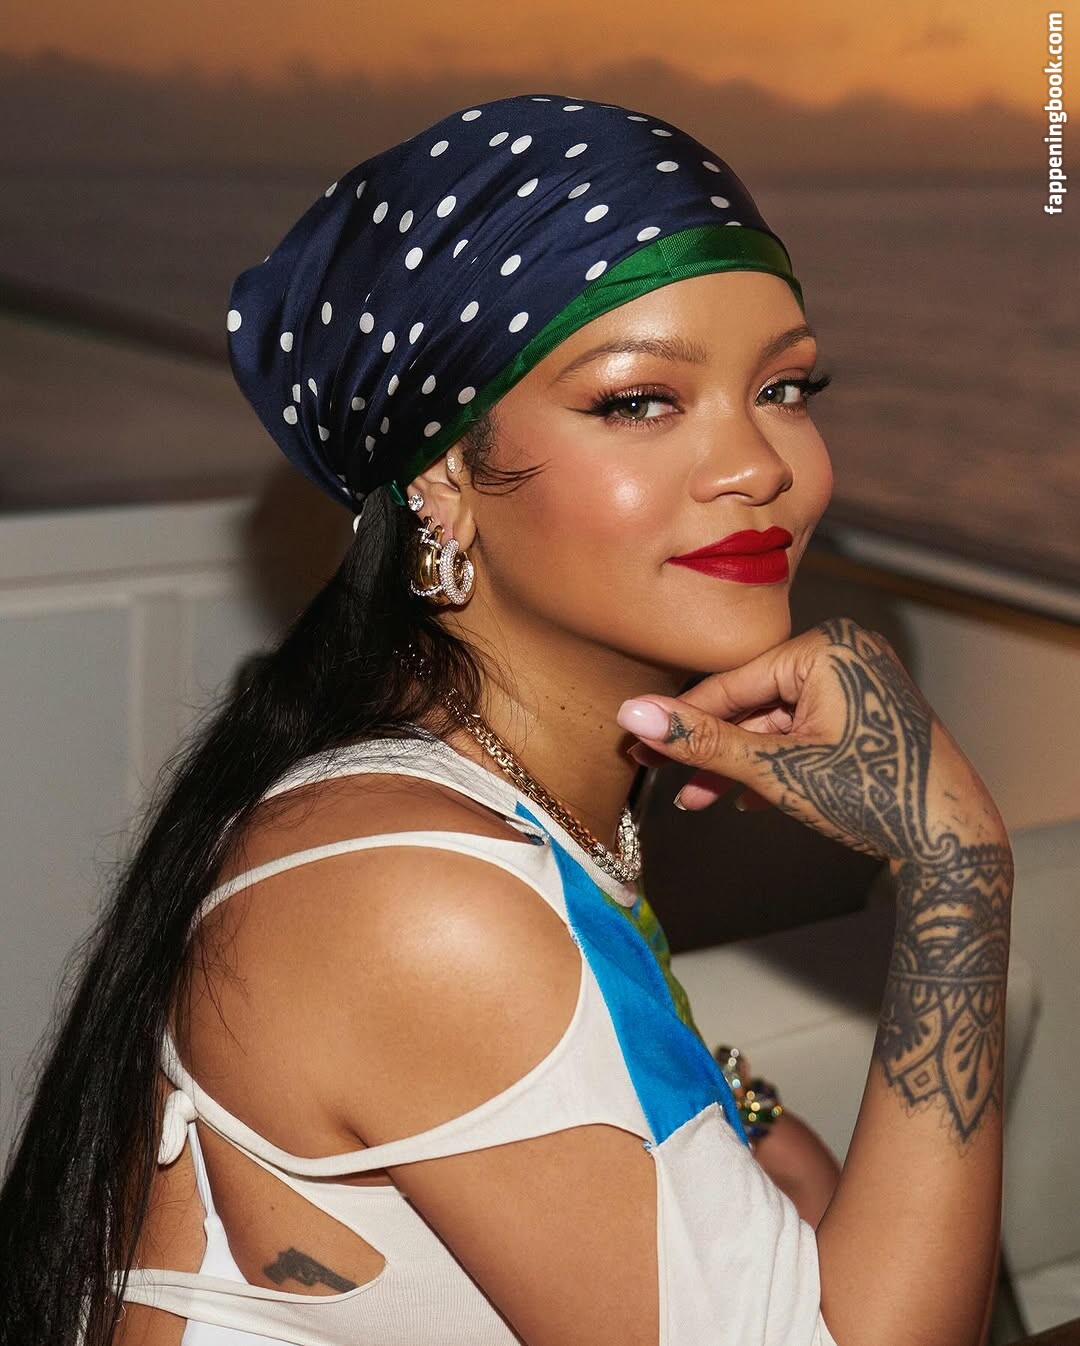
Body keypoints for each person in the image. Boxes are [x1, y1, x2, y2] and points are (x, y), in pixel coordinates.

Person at [0, 94, 1013, 1346]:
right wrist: (959, 864)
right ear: (441, 474)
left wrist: (737, 1105)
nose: (758, 462)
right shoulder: (418, 894)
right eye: (639, 400)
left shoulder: (479, 792)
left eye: (786, 384)